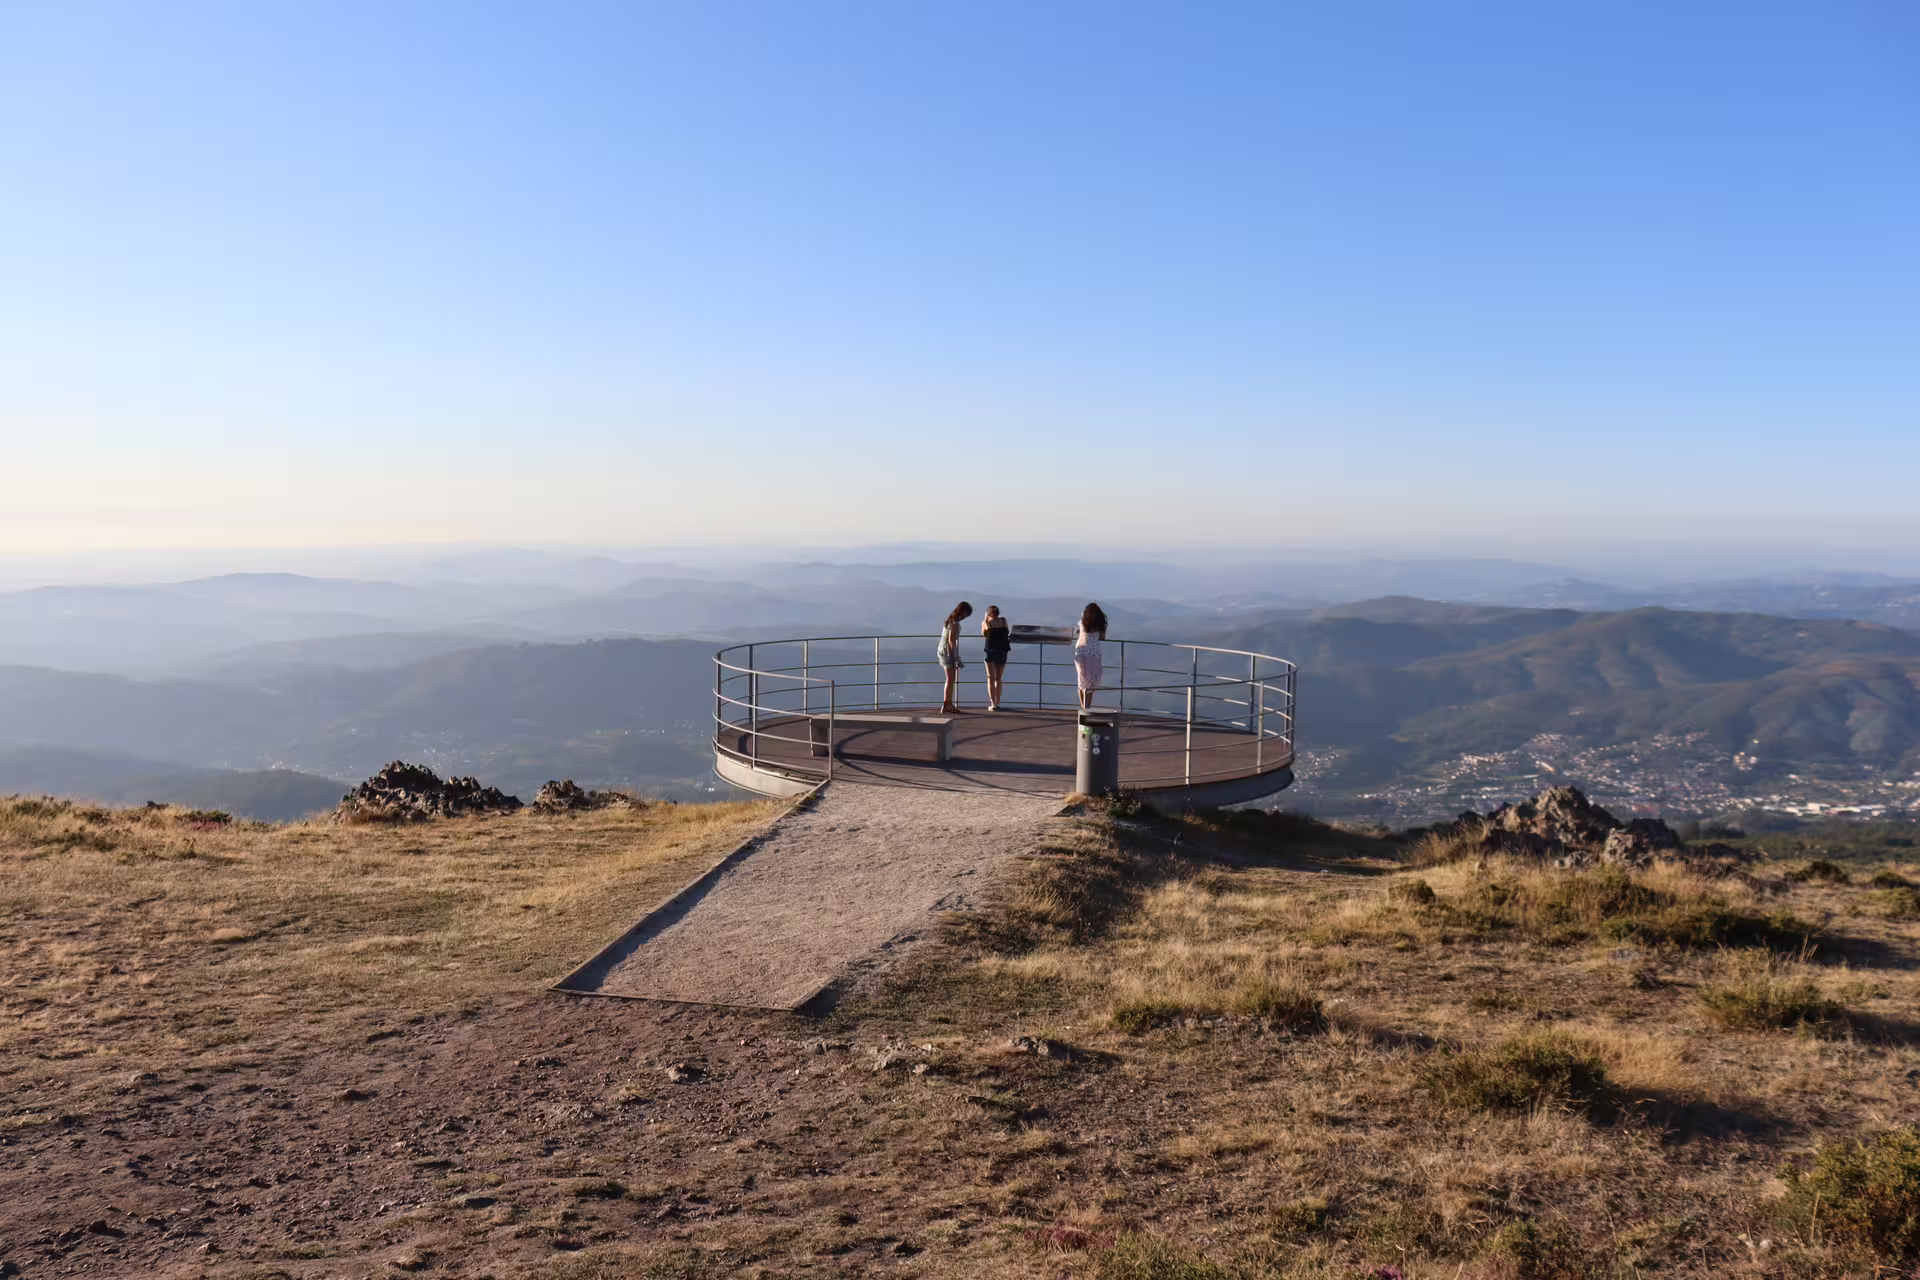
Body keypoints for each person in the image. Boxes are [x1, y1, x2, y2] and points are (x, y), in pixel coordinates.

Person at [937, 600, 972, 714]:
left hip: (942, 650)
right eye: (966, 614)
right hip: (948, 653)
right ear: (963, 612)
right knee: (950, 679)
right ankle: (947, 704)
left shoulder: (949, 621)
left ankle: (947, 704)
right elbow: (951, 641)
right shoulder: (955, 624)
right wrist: (956, 658)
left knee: (949, 679)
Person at [1074, 602, 1107, 710]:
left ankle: (1083, 707)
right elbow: (1102, 637)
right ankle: (1087, 707)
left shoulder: (1082, 622)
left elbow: (1078, 633)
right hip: (1093, 653)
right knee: (1091, 681)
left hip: (1080, 651)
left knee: (1082, 679)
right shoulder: (1099, 625)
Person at [980, 605, 1011, 710]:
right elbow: (1007, 631)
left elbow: (983, 634)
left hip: (990, 650)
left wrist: (985, 619)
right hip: (1003, 650)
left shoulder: (986, 623)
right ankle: (998, 702)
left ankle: (993, 703)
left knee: (990, 678)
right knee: (998, 678)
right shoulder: (1003, 621)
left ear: (988, 614)